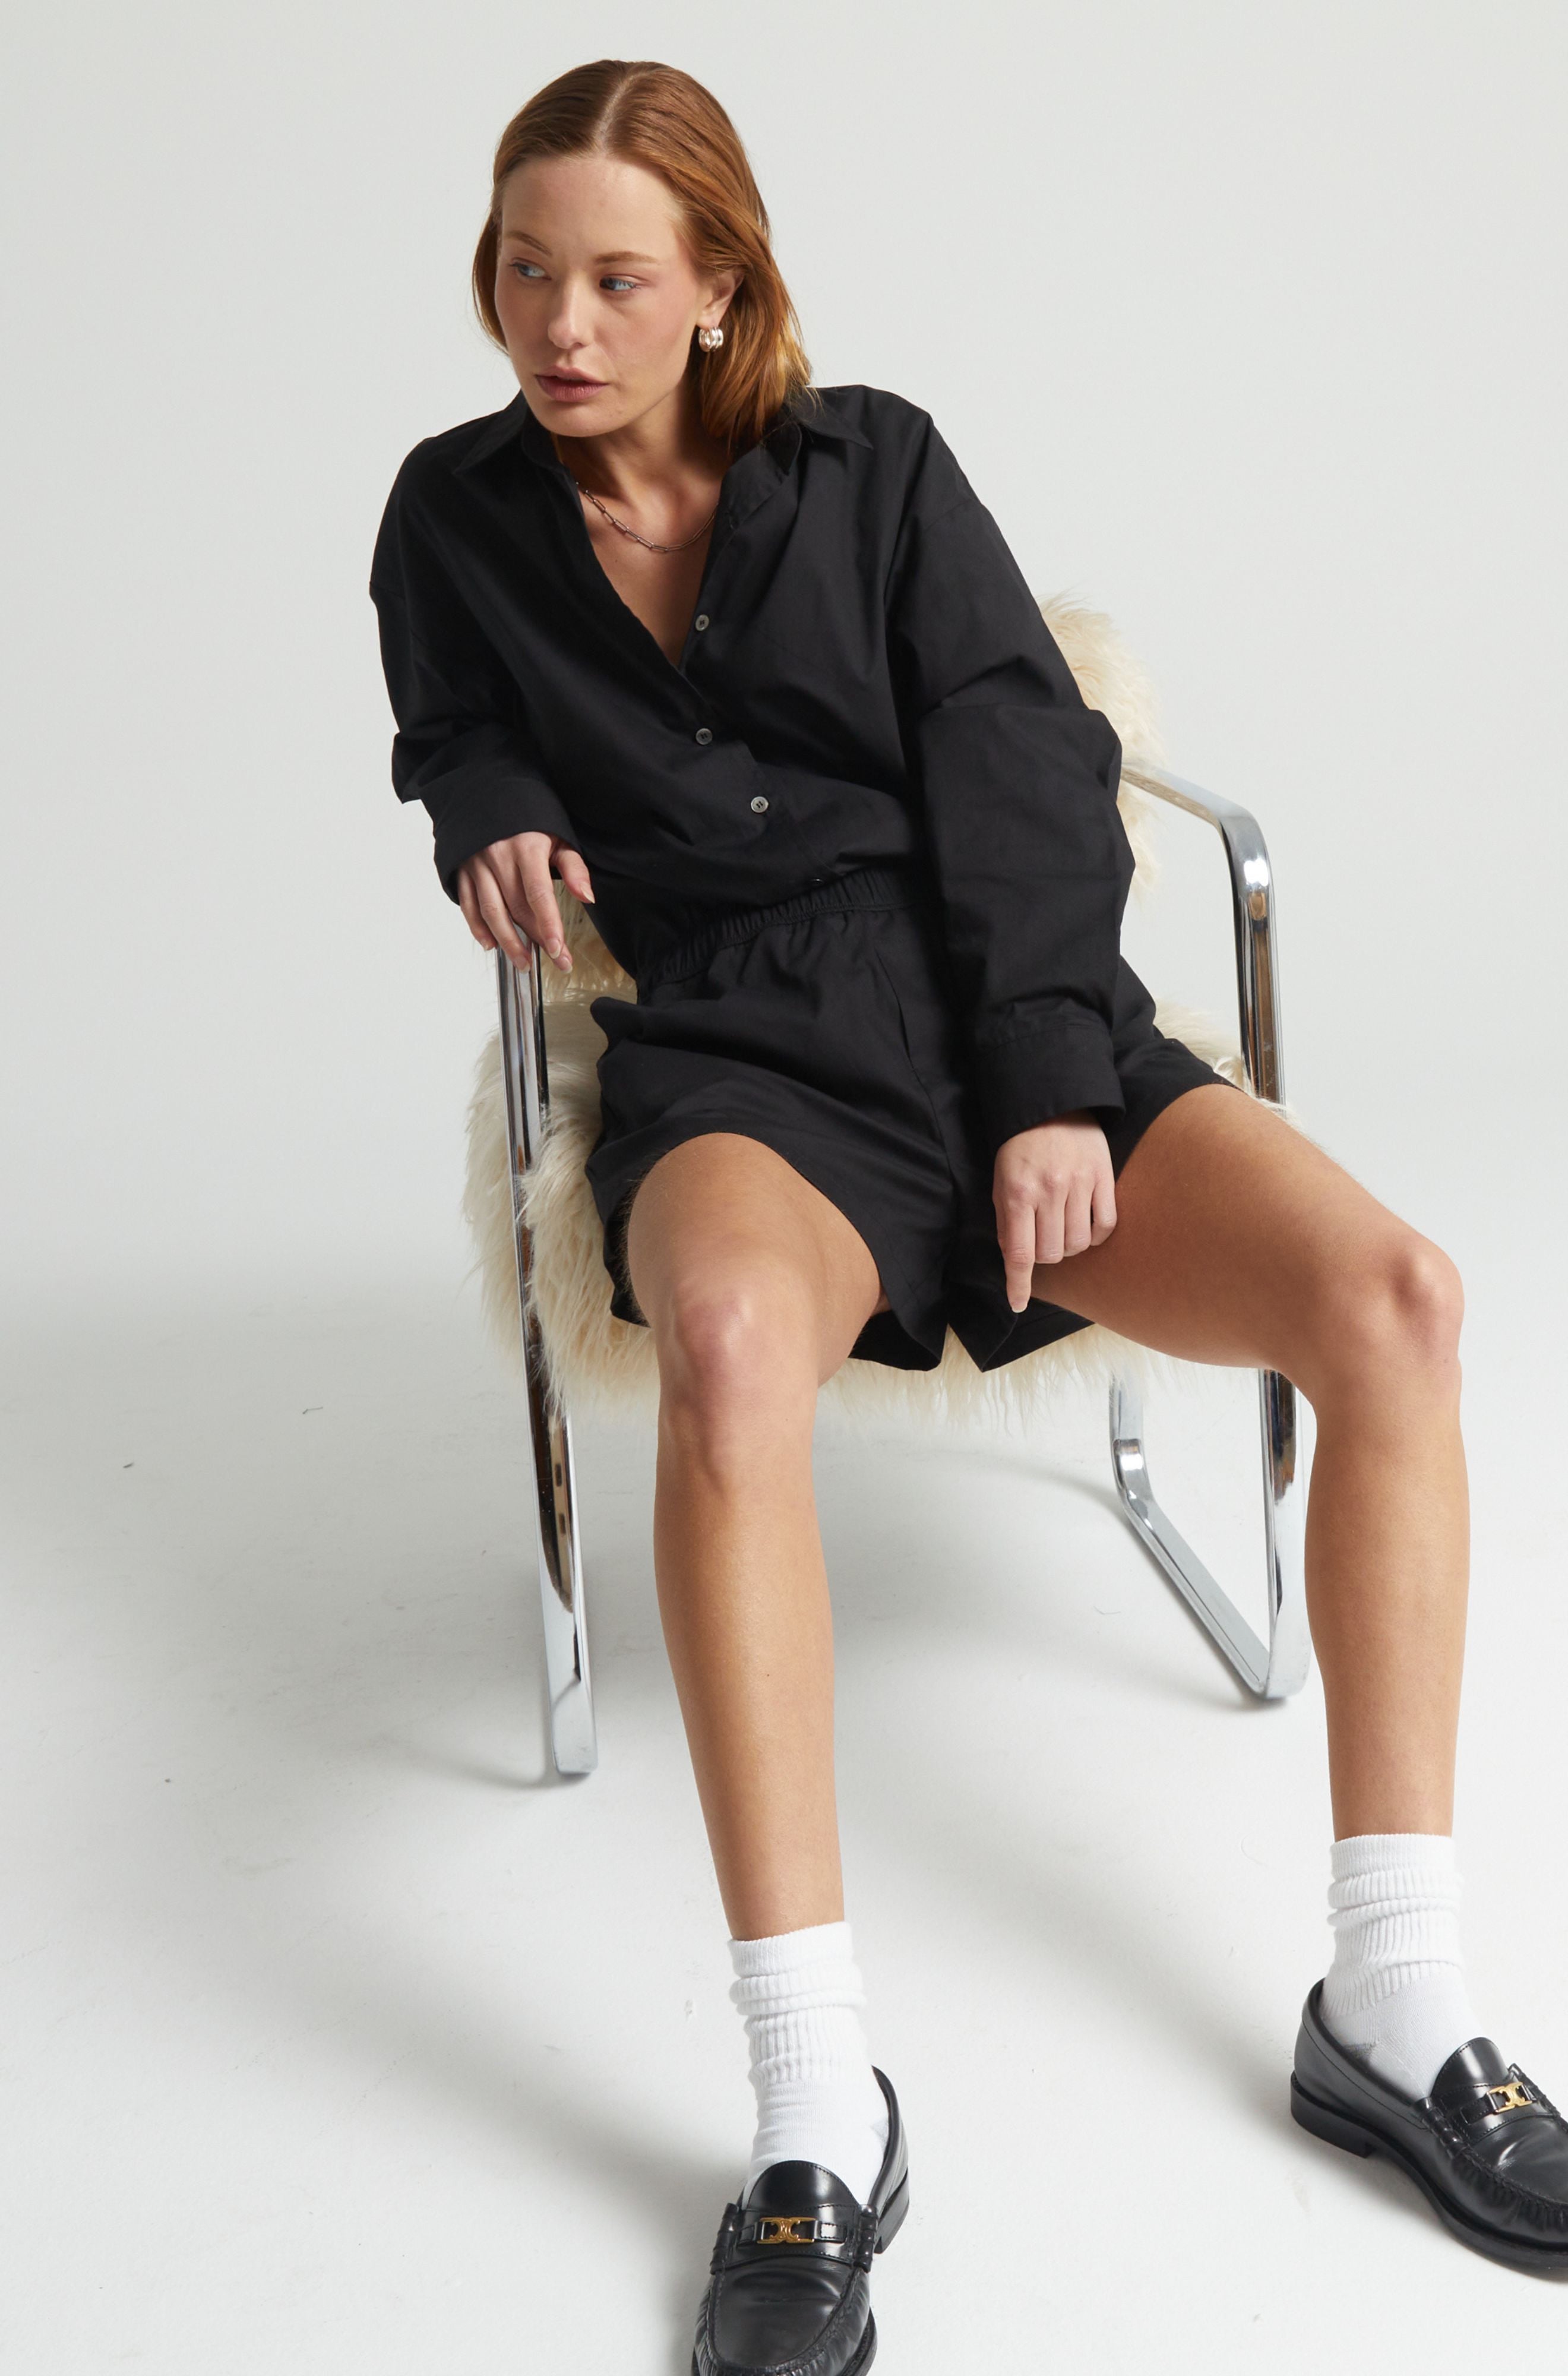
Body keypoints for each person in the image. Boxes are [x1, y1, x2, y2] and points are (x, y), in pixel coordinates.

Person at [369, 56, 1568, 2373]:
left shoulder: (878, 466)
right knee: (731, 1354)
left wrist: (1042, 1079)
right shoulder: (452, 514)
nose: (559, 323)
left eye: (614, 277)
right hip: (739, 1051)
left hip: (1000, 1007)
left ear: (722, 287)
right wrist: (491, 805)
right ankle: (816, 2110)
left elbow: (1026, 755)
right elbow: (452, 731)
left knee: (1397, 1297)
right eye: (524, 270)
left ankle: (1394, 2003)